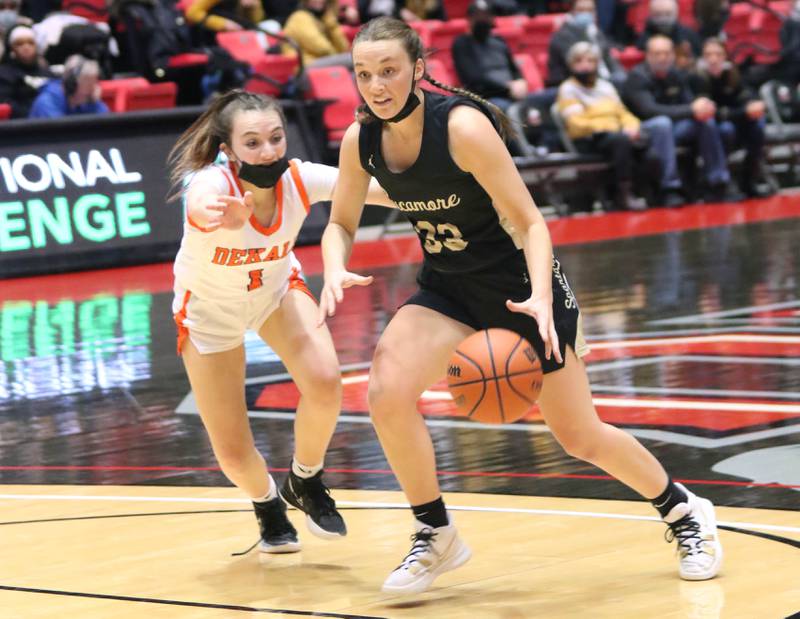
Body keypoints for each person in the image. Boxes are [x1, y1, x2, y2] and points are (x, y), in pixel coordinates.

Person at [319, 15, 724, 595]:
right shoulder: (362, 140)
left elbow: (532, 222)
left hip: (523, 289)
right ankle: (435, 532)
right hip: (450, 288)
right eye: (364, 74)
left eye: (388, 71)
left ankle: (684, 509)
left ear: (418, 68)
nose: (377, 85)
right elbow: (339, 222)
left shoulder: (462, 128)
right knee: (385, 392)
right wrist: (334, 265)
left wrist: (538, 295)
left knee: (579, 436)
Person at [168, 89, 394, 553]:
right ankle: (267, 503)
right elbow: (198, 205)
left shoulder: (300, 177)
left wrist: (444, 194)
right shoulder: (210, 184)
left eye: (275, 137)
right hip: (209, 311)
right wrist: (217, 216)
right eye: (252, 142)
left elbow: (374, 189)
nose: (268, 150)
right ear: (227, 150)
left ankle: (305, 480)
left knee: (327, 382)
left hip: (274, 292)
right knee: (232, 451)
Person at [623, 35, 741, 204]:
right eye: (657, 53)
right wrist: (691, 110)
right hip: (642, 130)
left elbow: (690, 104)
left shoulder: (676, 74)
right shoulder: (637, 77)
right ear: (648, 56)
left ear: (673, 55)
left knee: (705, 120)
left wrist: (702, 108)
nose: (663, 57)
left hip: (675, 127)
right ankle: (670, 187)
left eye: (666, 53)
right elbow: (649, 111)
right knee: (662, 123)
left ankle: (718, 181)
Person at [556, 42, 648, 211]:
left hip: (613, 135)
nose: (585, 65)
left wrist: (632, 126)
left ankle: (651, 191)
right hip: (588, 138)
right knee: (621, 141)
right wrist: (609, 126)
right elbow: (576, 124)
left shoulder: (606, 87)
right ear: (571, 65)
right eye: (579, 61)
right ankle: (624, 195)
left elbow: (623, 113)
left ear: (597, 63)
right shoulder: (568, 89)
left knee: (644, 139)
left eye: (590, 61)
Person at [690, 38, 772, 198]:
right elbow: (712, 112)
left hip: (734, 120)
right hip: (710, 126)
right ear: (702, 57)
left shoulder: (733, 73)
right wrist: (744, 111)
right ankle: (720, 182)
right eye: (708, 55)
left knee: (758, 123)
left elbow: (746, 95)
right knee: (724, 129)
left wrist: (754, 105)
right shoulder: (696, 77)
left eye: (718, 54)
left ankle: (749, 178)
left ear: (725, 57)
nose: (713, 59)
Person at [546, 0, 625, 88]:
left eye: (590, 10)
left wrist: (620, 74)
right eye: (581, 10)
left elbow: (610, 59)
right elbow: (579, 67)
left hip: (605, 80)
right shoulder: (563, 36)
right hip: (576, 85)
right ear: (572, 11)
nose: (586, 14)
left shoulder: (595, 31)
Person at [28, 54, 109, 118]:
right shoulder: (47, 102)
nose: (93, 88)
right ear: (71, 84)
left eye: (94, 83)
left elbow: (105, 127)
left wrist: (94, 104)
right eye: (88, 84)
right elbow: (63, 135)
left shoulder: (88, 100)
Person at [0, 24, 54, 118]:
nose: (26, 48)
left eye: (31, 43)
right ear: (12, 49)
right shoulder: (3, 75)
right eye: (19, 44)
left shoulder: (49, 73)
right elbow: (7, 104)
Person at [283, 0, 352, 69]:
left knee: (355, 75)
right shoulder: (299, 17)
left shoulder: (323, 19)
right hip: (303, 66)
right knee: (353, 59)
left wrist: (331, 24)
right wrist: (339, 57)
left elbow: (344, 48)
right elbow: (321, 48)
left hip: (321, 61)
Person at [635, 0, 701, 69]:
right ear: (651, 14)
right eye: (658, 14)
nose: (663, 19)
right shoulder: (644, 39)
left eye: (668, 14)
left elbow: (699, 58)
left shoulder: (689, 35)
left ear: (676, 13)